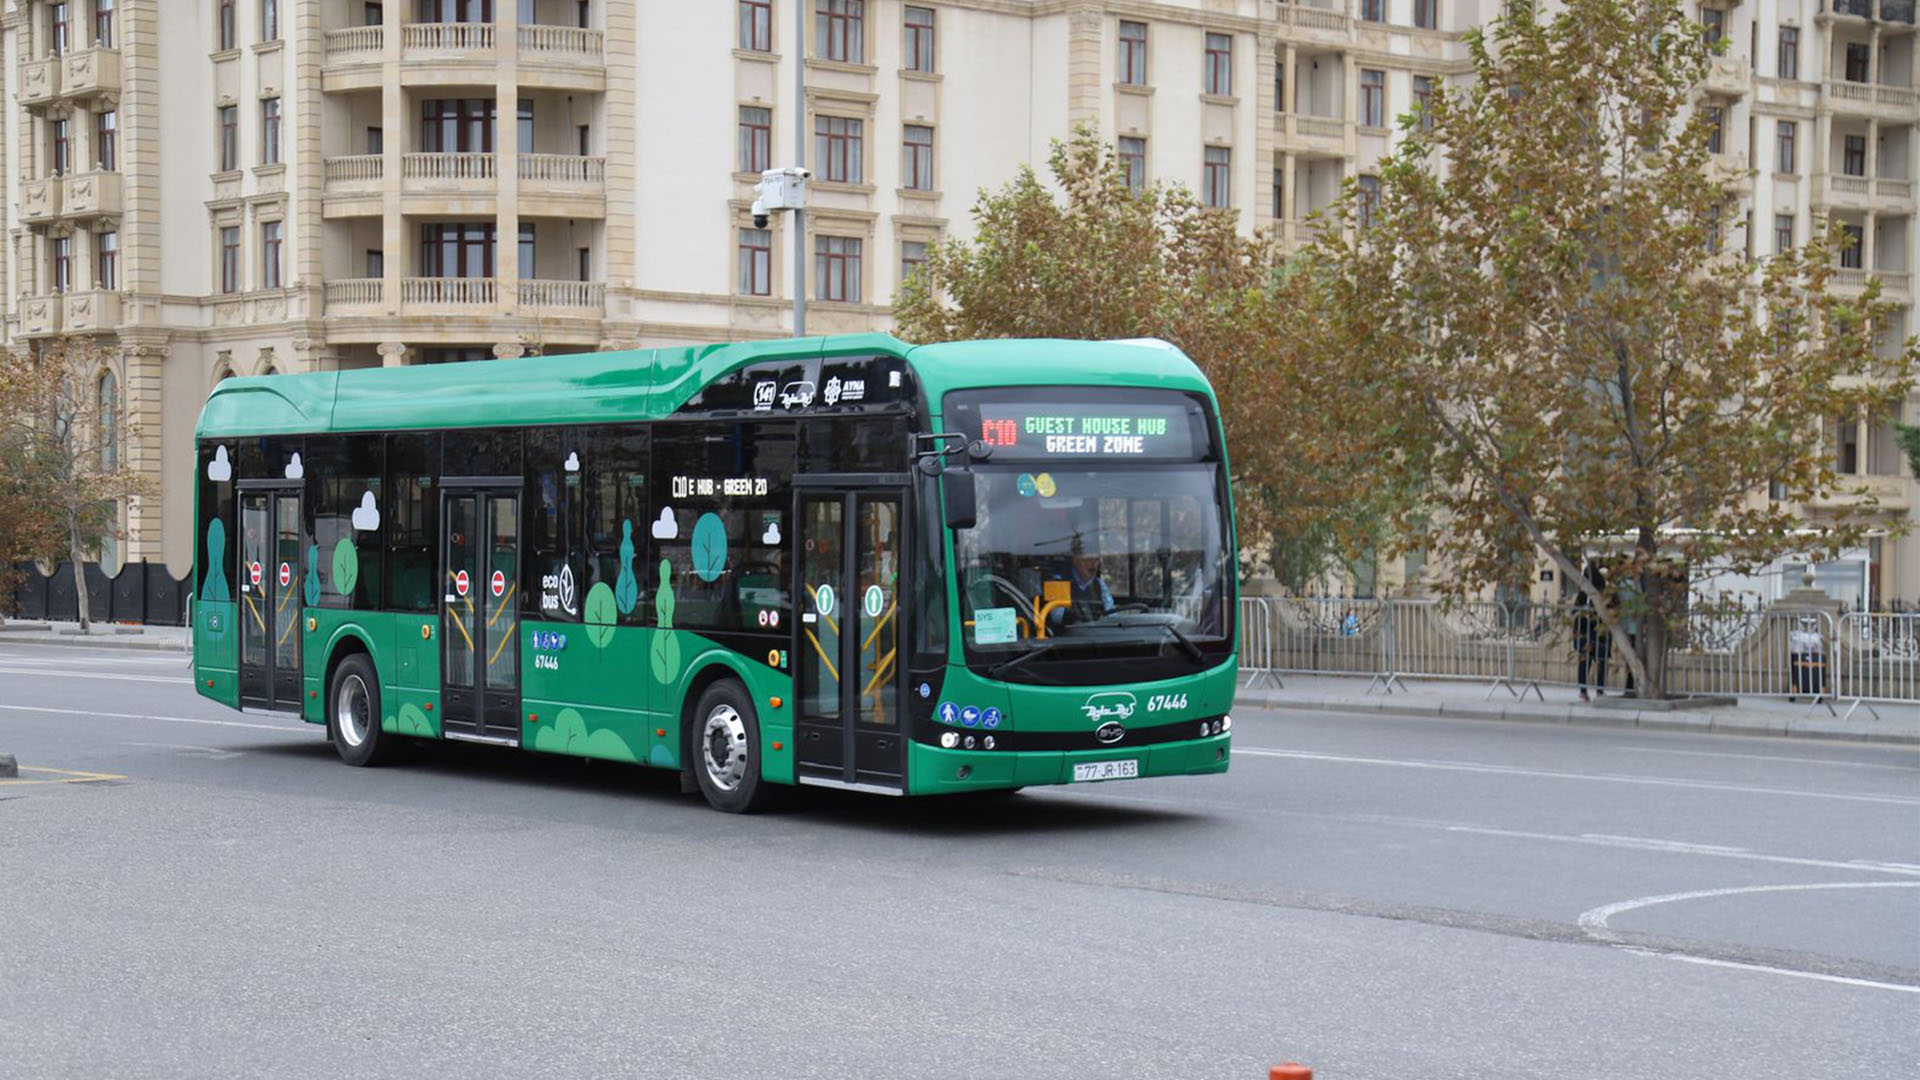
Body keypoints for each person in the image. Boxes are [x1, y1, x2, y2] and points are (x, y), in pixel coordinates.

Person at [1572, 561, 1611, 702]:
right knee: (1592, 661)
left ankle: (1589, 691)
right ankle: (1593, 691)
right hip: (1591, 633)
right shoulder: (1588, 593)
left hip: (1594, 633)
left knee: (1592, 662)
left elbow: (1575, 612)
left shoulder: (1593, 592)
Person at [1066, 544, 1114, 622]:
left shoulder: (1100, 584)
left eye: (1096, 560)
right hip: (1068, 632)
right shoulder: (1061, 582)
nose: (1094, 564)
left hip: (1093, 631)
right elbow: (1057, 617)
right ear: (1076, 561)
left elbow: (1111, 614)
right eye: (1088, 559)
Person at [1787, 615, 1826, 703]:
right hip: (1800, 656)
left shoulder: (1818, 636)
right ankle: (1795, 690)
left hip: (1813, 657)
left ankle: (1817, 692)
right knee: (1797, 673)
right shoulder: (1795, 635)